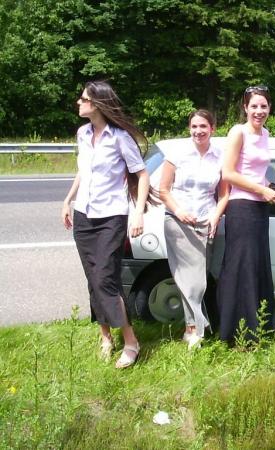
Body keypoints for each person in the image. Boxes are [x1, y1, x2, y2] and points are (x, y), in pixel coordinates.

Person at [62, 80, 153, 369]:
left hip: (111, 217)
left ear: (98, 104)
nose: (79, 103)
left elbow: (142, 175)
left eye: (83, 99)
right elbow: (83, 172)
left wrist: (138, 213)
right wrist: (68, 200)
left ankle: (131, 341)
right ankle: (105, 337)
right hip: (83, 215)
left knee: (105, 278)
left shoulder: (120, 138)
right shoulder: (83, 133)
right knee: (93, 279)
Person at [217, 85, 275, 344]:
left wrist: (270, 187)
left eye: (263, 106)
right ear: (245, 108)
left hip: (259, 207)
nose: (259, 111)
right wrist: (261, 190)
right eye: (254, 106)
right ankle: (236, 332)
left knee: (257, 266)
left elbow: (256, 172)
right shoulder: (238, 132)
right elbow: (228, 173)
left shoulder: (265, 133)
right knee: (241, 267)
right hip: (242, 207)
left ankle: (259, 325)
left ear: (269, 108)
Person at [159, 109, 228, 349]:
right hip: (178, 221)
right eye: (194, 126)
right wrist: (179, 211)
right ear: (189, 129)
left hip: (206, 222)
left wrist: (215, 216)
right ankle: (193, 328)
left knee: (199, 280)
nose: (198, 131)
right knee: (188, 279)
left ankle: (195, 326)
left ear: (212, 129)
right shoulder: (177, 154)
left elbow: (224, 194)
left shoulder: (220, 156)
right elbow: (163, 190)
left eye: (203, 126)